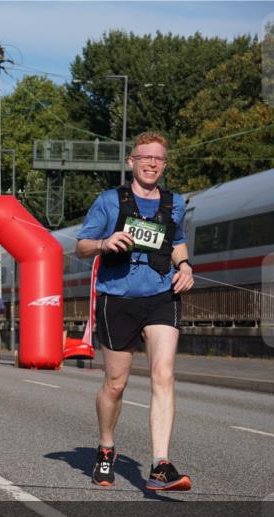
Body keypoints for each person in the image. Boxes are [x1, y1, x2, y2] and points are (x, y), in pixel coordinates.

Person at [75, 131, 194, 491]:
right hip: (118, 298)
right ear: (132, 162)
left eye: (159, 159)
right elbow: (80, 247)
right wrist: (103, 243)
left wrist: (185, 266)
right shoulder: (109, 201)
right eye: (145, 158)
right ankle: (107, 447)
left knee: (164, 374)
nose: (152, 164)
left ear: (165, 164)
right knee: (116, 384)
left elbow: (175, 241)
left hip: (161, 295)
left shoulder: (174, 203)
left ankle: (160, 464)